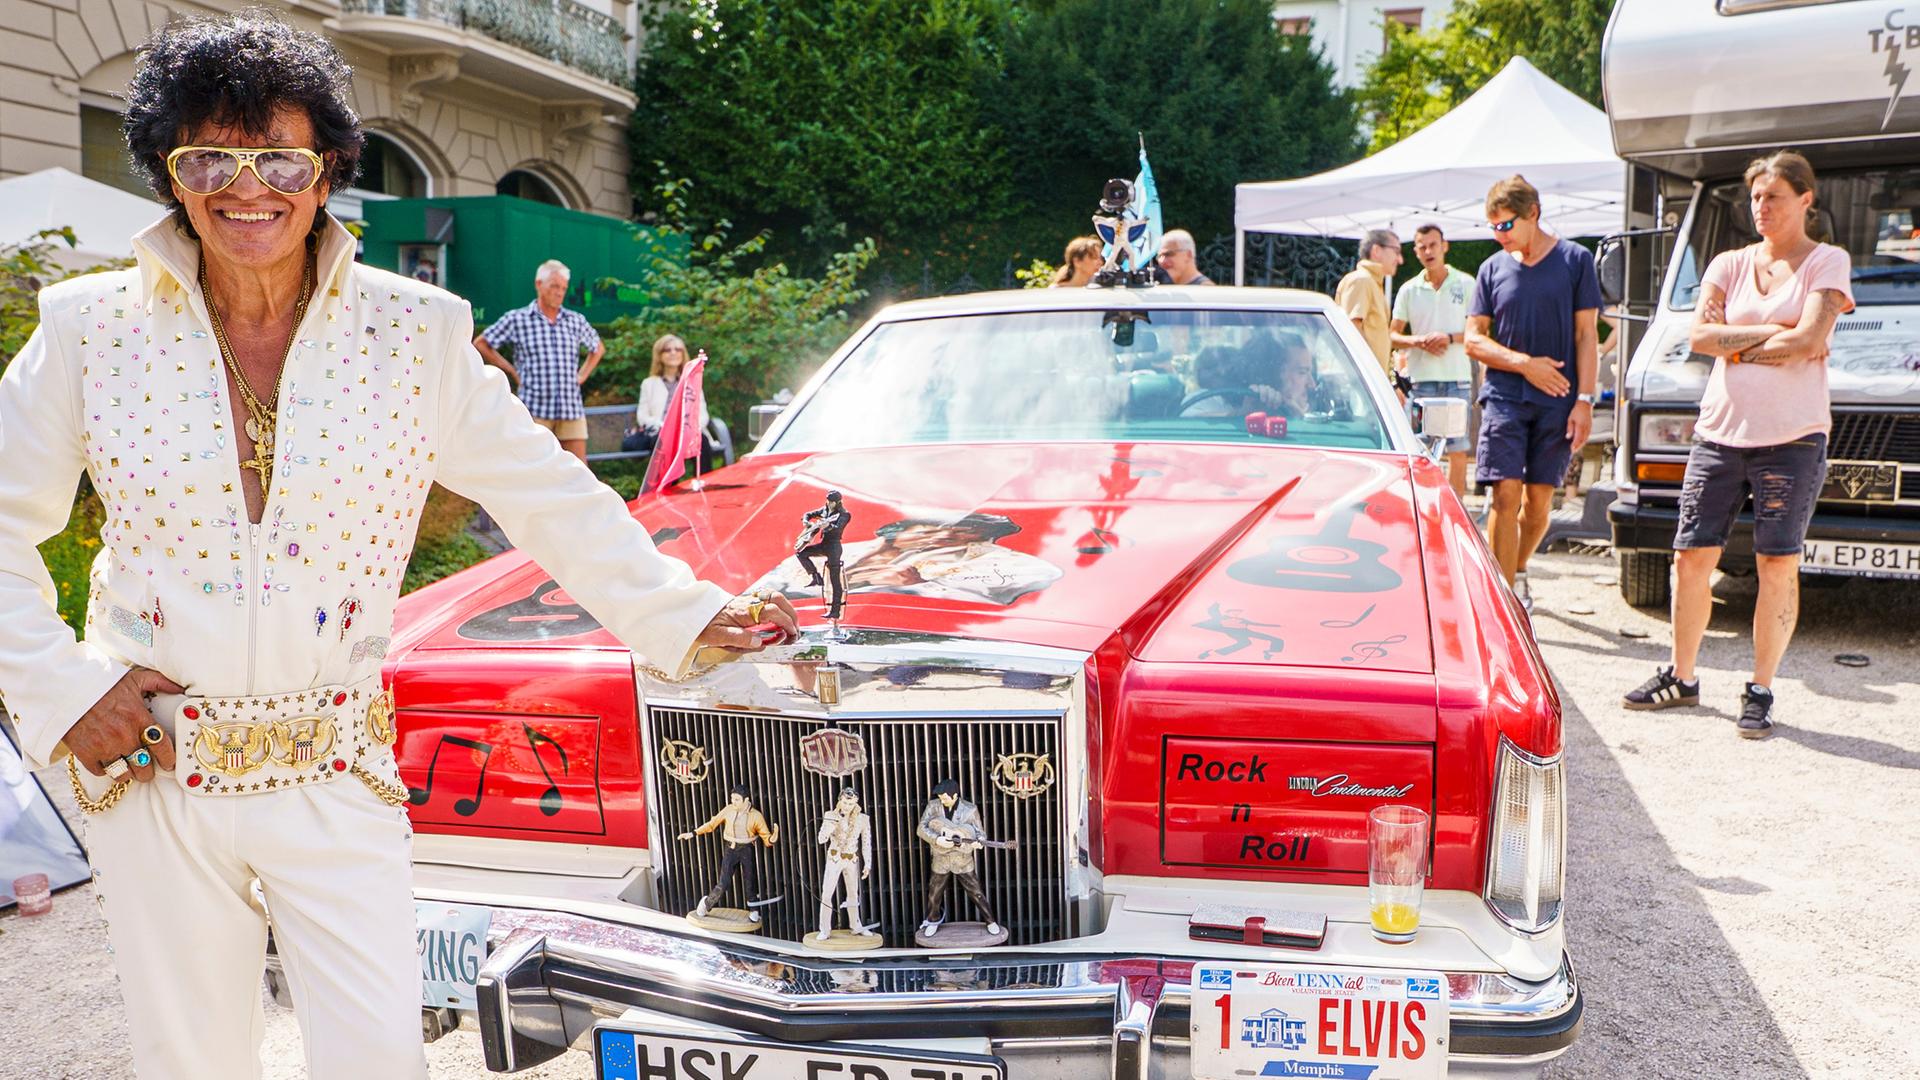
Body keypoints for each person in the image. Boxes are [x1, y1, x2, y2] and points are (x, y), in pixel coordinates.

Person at [0, 13, 798, 1079]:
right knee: (188, 1062)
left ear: (329, 169)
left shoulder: (414, 333)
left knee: (377, 1057)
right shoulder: (89, 329)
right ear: (169, 173)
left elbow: (549, 495)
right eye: (209, 159)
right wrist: (64, 688)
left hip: (338, 771)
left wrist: (686, 611)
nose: (247, 188)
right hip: (155, 776)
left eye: (280, 158)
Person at [1623, 151, 1851, 739]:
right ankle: (1682, 676)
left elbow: (1809, 341)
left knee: (1777, 563)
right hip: (1719, 433)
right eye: (1755, 198)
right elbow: (1701, 337)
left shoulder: (1827, 262)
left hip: (1791, 439)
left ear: (1806, 199)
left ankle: (1761, 689)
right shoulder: (1728, 262)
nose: (1761, 207)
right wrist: (1776, 332)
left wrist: (1743, 344)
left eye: (1774, 196)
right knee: (1690, 557)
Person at [1465, 176, 1602, 610]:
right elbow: (1473, 339)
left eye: (1506, 225)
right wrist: (1525, 364)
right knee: (1504, 494)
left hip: (1558, 398)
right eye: (1493, 227)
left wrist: (1584, 401)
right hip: (1504, 395)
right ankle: (1502, 602)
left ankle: (1518, 569)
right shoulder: (1491, 269)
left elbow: (1587, 336)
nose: (1499, 235)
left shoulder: (1575, 260)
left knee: (1539, 502)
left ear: (1533, 214)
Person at [473, 258, 604, 463]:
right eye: (554, 286)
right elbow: (481, 343)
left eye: (563, 288)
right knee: (534, 466)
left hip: (570, 406)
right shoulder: (518, 319)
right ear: (538, 284)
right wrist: (512, 371)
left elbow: (598, 348)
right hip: (534, 408)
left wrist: (582, 375)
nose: (559, 292)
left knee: (579, 468)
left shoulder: (575, 320)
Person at [1390, 224, 1476, 494]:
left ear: (1444, 246)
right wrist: (1419, 341)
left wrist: (1448, 338)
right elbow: (1392, 335)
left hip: (1457, 379)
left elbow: (1479, 332)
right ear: (1416, 252)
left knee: (1457, 451)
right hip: (1420, 380)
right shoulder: (1408, 289)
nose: (1428, 251)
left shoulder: (1466, 283)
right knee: (1418, 451)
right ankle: (1423, 507)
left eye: (1433, 245)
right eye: (1422, 247)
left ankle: (1454, 510)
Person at [680, 783, 781, 921]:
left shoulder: (756, 816)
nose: (733, 802)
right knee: (724, 882)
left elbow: (766, 837)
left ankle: (754, 909)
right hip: (731, 849)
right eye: (732, 798)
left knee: (750, 880)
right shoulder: (728, 810)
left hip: (746, 849)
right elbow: (712, 824)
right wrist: (693, 833)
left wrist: (773, 838)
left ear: (746, 800)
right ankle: (707, 903)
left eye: (737, 799)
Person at [916, 778, 1002, 938]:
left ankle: (990, 921)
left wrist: (979, 842)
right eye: (940, 797)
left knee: (976, 892)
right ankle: (933, 921)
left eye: (944, 798)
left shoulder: (970, 809)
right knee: (934, 893)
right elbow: (921, 828)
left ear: (955, 795)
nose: (941, 800)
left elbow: (980, 833)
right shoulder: (933, 806)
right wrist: (936, 839)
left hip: (963, 859)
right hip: (940, 858)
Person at [626, 333, 713, 459]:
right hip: (660, 432)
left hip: (688, 432)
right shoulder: (649, 384)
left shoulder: (692, 381)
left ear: (683, 354)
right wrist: (664, 426)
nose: (673, 353)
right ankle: (667, 474)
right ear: (659, 355)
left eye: (678, 349)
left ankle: (704, 473)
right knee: (662, 441)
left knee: (702, 441)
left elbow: (702, 414)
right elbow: (643, 416)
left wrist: (689, 428)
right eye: (667, 350)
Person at [1335, 229, 1402, 382]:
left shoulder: (1372, 282)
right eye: (1396, 251)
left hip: (1369, 380)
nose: (1400, 260)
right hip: (1360, 380)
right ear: (1376, 250)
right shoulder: (1362, 280)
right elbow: (1352, 331)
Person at [814, 787, 876, 940]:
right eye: (845, 803)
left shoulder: (863, 819)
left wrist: (867, 864)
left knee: (853, 893)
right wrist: (830, 826)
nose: (847, 807)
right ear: (840, 801)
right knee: (827, 893)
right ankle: (824, 929)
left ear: (856, 803)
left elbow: (866, 843)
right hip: (834, 858)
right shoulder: (830, 815)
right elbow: (821, 839)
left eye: (851, 804)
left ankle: (855, 925)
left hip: (851, 859)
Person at [796, 490, 851, 619]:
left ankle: (835, 611)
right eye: (828, 501)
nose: (829, 503)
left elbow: (838, 528)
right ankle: (815, 577)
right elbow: (808, 514)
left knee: (835, 581)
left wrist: (828, 525)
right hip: (824, 544)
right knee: (801, 553)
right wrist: (806, 521)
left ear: (837, 502)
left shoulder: (844, 514)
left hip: (834, 547)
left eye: (831, 502)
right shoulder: (824, 510)